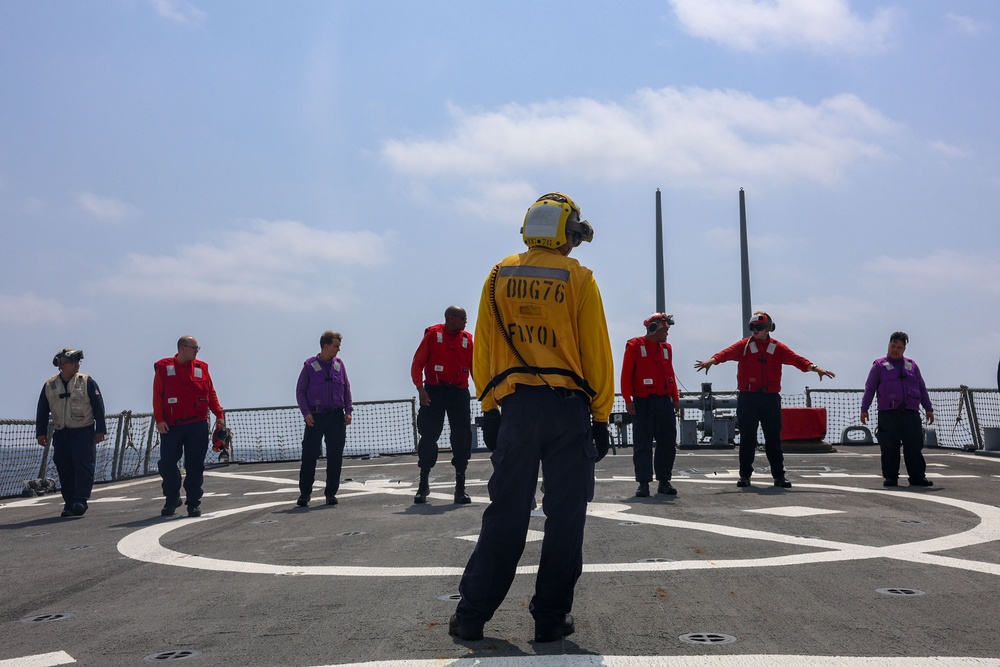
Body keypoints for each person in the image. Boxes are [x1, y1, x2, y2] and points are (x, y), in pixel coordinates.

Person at [449, 192, 614, 644]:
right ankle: (549, 618)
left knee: (506, 512)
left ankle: (471, 615)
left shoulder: (499, 273)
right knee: (565, 517)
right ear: (565, 232)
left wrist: (488, 407)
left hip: (516, 409)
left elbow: (483, 346)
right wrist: (600, 416)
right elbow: (596, 353)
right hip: (568, 411)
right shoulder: (579, 278)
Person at [694, 312, 834, 489]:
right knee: (747, 439)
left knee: (773, 439)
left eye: (758, 327)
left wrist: (815, 368)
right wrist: (711, 361)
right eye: (752, 327)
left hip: (770, 399)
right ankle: (745, 476)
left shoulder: (778, 348)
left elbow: (797, 360)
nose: (755, 330)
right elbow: (726, 353)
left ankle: (779, 476)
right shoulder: (744, 346)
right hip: (748, 398)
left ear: (768, 328)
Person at [153, 336, 224, 517]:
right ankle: (172, 498)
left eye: (197, 348)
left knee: (195, 466)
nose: (196, 351)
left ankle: (193, 503)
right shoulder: (163, 367)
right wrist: (159, 420)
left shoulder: (202, 368)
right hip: (171, 426)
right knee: (167, 464)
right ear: (182, 348)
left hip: (197, 425)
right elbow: (157, 395)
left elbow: (211, 393)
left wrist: (219, 415)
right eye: (194, 348)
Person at [410, 306, 474, 504]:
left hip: (459, 392)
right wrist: (420, 389)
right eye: (463, 318)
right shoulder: (432, 335)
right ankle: (423, 485)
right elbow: (417, 363)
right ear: (451, 318)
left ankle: (460, 489)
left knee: (462, 437)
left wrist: (485, 391)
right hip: (434, 391)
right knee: (429, 435)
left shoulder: (468, 340)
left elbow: (475, 367)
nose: (465, 321)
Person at [35, 348, 106, 517]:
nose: (76, 365)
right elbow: (42, 410)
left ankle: (80, 501)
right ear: (62, 365)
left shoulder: (86, 382)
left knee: (83, 467)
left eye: (78, 362)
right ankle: (69, 503)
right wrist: (41, 432)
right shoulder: (50, 385)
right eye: (72, 362)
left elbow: (98, 405)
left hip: (83, 432)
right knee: (64, 467)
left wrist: (100, 429)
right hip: (61, 433)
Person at [860, 331, 934, 487]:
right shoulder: (878, 366)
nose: (895, 349)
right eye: (893, 346)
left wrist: (928, 408)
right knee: (889, 447)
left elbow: (921, 388)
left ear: (904, 349)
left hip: (910, 413)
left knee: (914, 446)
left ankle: (917, 477)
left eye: (899, 347)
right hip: (888, 414)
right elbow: (870, 389)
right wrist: (864, 409)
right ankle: (891, 477)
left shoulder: (912, 365)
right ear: (888, 345)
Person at [621, 313, 680, 497]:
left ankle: (664, 481)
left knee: (667, 442)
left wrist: (675, 398)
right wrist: (628, 400)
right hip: (643, 402)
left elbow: (670, 373)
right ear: (654, 329)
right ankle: (643, 483)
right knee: (642, 443)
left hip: (664, 402)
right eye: (665, 330)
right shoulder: (634, 347)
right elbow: (625, 376)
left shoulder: (666, 348)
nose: (667, 333)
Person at [295, 330, 353, 507]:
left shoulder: (339, 365)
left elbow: (346, 388)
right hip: (315, 417)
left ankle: (331, 494)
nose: (338, 350)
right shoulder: (309, 366)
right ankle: (305, 494)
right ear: (326, 346)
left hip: (336, 417)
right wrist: (306, 413)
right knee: (309, 456)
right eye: (336, 346)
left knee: (335, 456)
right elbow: (300, 392)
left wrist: (348, 410)